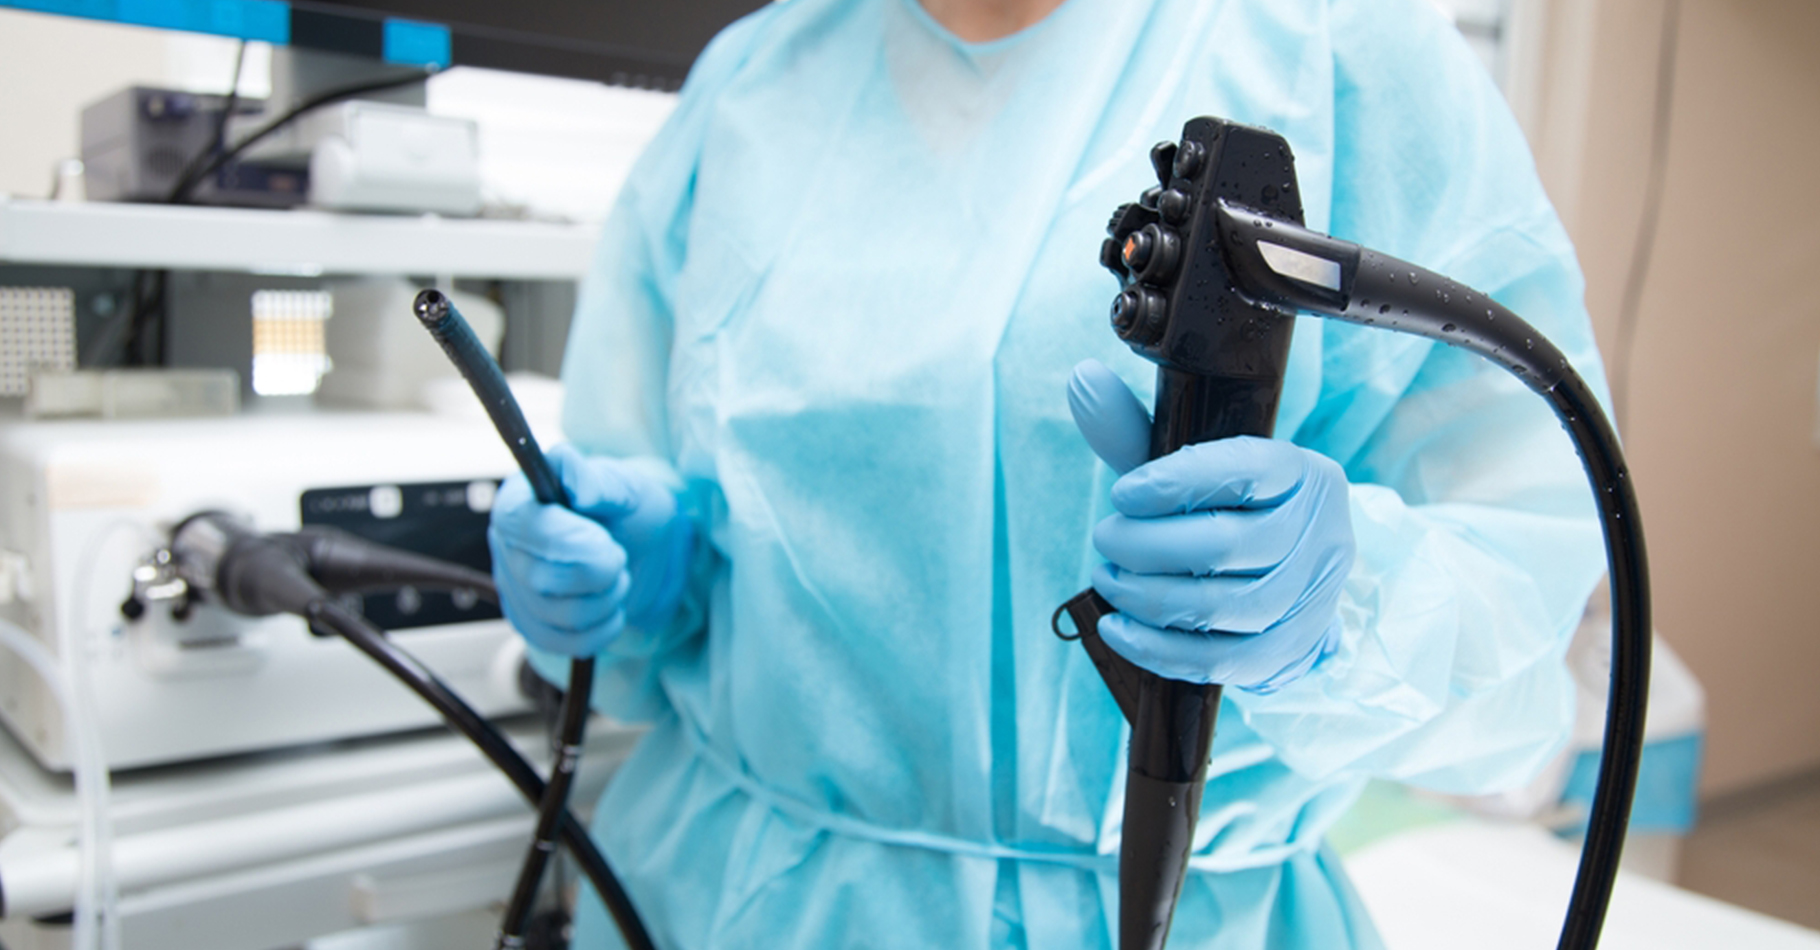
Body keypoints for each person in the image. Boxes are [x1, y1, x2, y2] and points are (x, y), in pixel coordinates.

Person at [486, 0, 1611, 946]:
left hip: (1173, 915)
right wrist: (649, 572)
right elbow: (645, 512)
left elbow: (1522, 609)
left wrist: (1343, 607)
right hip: (733, 907)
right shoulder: (751, 83)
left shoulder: (1332, 48)